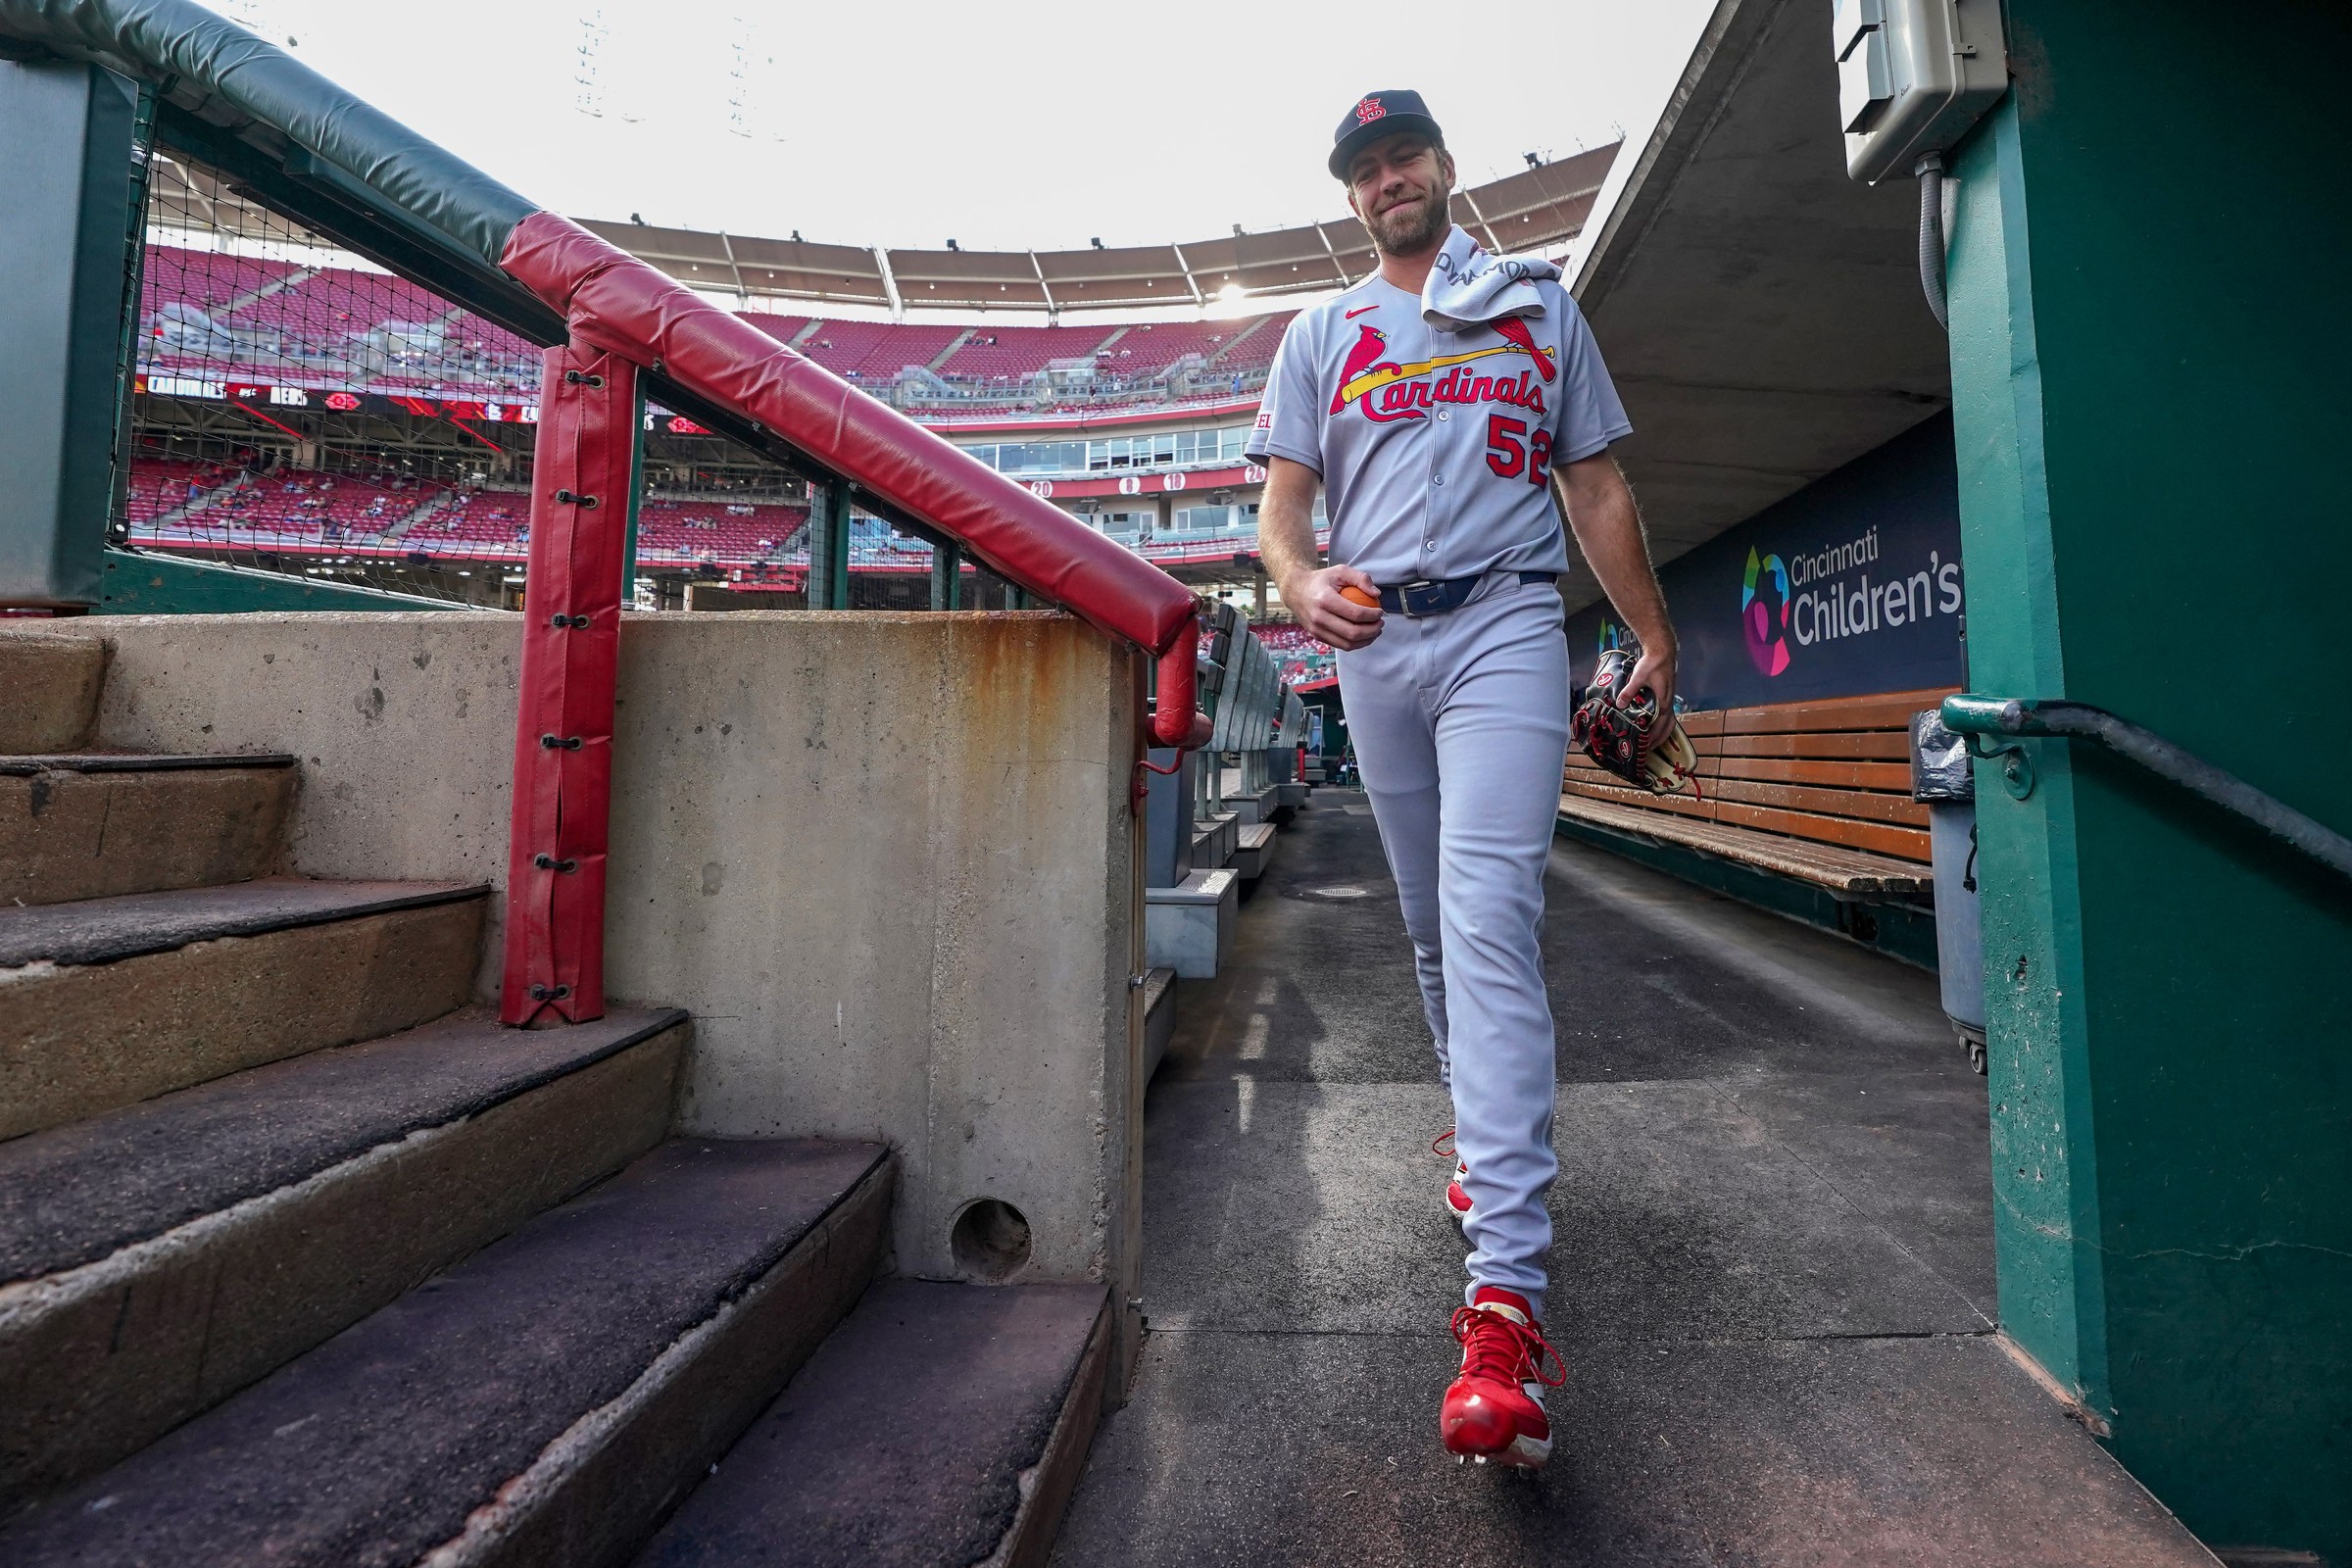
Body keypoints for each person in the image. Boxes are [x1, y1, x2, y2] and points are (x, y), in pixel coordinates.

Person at [1249, 90, 1680, 1470]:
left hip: (1502, 616)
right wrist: (1301, 581)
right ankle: (1472, 1126)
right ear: (1354, 194)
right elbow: (1278, 515)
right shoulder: (1323, 333)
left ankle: (1506, 1300)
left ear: (1444, 167)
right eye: (1366, 169)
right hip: (1378, 646)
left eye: (1404, 157)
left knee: (1488, 918)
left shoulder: (1538, 305)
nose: (1388, 180)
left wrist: (1653, 636)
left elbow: (1595, 485)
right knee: (1434, 929)